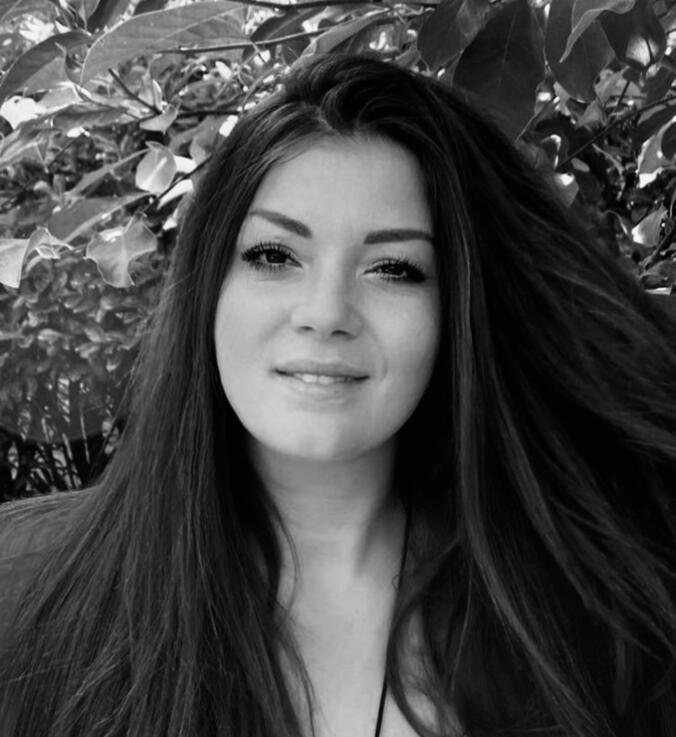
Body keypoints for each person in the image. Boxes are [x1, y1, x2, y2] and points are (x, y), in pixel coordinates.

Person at [1, 52, 675, 737]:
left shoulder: (588, 618)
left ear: (459, 310)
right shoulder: (23, 588)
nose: (325, 313)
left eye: (394, 268)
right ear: (209, 286)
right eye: (273, 256)